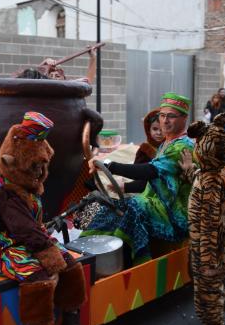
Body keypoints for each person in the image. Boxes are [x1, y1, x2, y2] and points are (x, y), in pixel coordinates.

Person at [0, 112, 99, 325]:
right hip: (10, 246)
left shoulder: (29, 188)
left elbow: (36, 229)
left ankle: (70, 324)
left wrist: (53, 251)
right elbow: (22, 229)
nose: (40, 172)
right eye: (34, 167)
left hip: (36, 240)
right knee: (38, 279)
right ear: (14, 164)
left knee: (71, 265)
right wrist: (48, 252)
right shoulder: (5, 191)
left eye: (42, 166)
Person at [81, 93, 194, 265]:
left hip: (174, 213)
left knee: (135, 206)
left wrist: (108, 164)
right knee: (113, 205)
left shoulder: (182, 146)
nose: (165, 121)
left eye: (171, 116)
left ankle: (136, 262)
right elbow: (147, 182)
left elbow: (149, 171)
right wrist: (124, 187)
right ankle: (85, 251)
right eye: (162, 116)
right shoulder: (166, 143)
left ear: (184, 118)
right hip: (155, 204)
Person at [179, 113, 225, 325]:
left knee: (205, 287)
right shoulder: (214, 171)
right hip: (215, 244)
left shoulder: (212, 181)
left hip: (209, 245)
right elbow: (198, 177)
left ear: (207, 151)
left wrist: (207, 259)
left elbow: (211, 225)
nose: (194, 149)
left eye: (198, 147)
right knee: (211, 280)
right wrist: (188, 169)